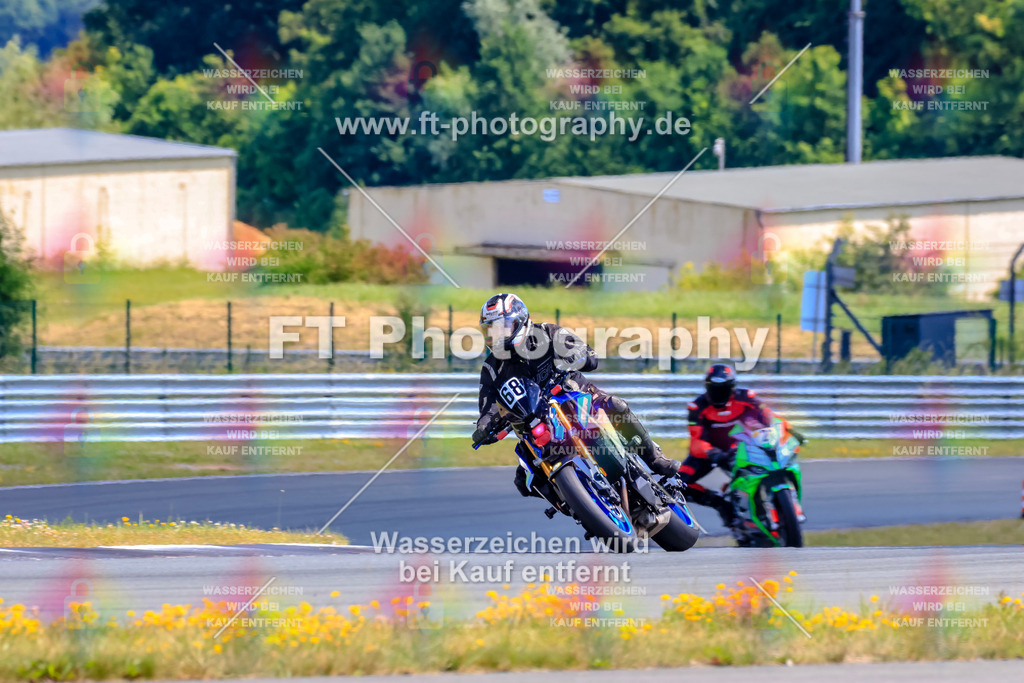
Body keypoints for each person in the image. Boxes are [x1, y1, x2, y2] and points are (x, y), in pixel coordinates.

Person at [471, 293, 681, 498]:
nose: (495, 336)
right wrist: (483, 426)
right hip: (534, 423)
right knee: (526, 482)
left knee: (616, 406)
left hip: (574, 394)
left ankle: (654, 457)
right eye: (489, 330)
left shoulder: (547, 333)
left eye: (501, 328)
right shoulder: (491, 368)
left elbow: (588, 356)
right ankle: (578, 505)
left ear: (520, 322)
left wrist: (578, 355)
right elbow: (488, 405)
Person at [678, 363, 798, 530]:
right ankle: (720, 504)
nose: (719, 393)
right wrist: (712, 452)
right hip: (710, 453)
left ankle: (764, 508)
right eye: (714, 389)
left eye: (724, 388)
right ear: (707, 388)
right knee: (676, 483)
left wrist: (787, 429)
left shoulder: (747, 398)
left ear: (732, 387)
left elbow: (769, 417)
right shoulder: (697, 407)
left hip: (742, 448)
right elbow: (696, 442)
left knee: (770, 466)